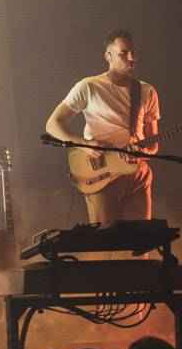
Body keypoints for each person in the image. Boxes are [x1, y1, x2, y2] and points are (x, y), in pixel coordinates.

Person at [45, 29, 160, 225]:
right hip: (101, 174)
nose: (131, 58)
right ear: (108, 56)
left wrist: (145, 151)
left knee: (142, 238)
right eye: (123, 53)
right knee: (107, 238)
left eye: (134, 53)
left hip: (137, 174)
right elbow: (52, 124)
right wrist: (83, 144)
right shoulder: (88, 86)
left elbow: (153, 144)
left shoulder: (147, 91)